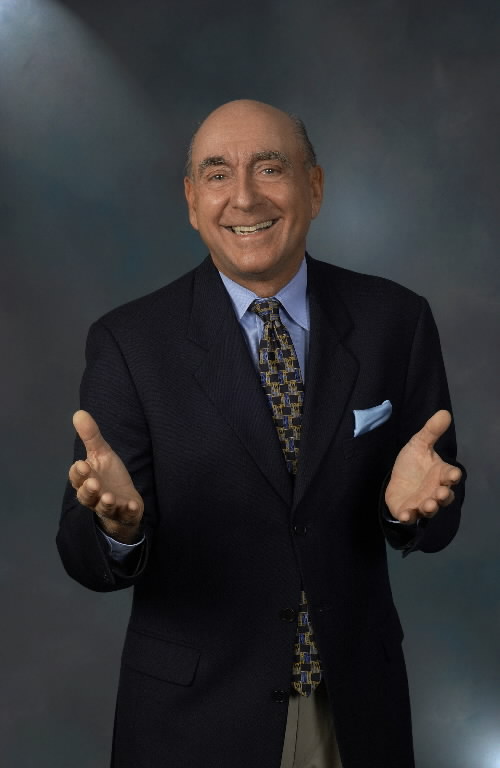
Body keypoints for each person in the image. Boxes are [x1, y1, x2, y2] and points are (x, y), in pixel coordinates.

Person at [57, 99, 466, 768]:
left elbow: (440, 515)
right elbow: (81, 555)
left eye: (270, 168)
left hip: (356, 713)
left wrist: (411, 513)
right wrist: (116, 528)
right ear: (193, 202)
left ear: (315, 187)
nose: (244, 197)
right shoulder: (129, 344)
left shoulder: (396, 320)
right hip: (193, 723)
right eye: (217, 174)